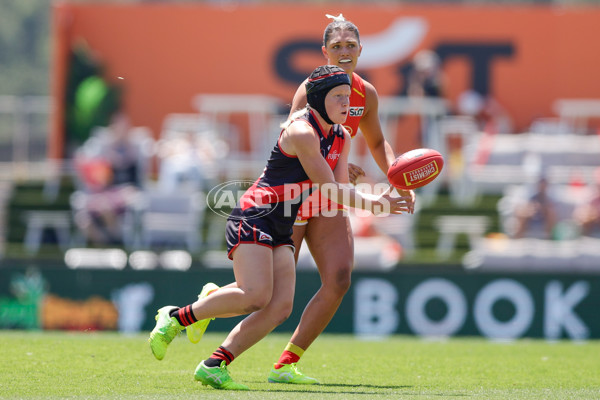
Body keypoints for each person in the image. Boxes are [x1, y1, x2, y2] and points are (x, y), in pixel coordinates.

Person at [148, 65, 411, 390]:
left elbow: (339, 191)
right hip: (256, 214)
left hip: (284, 222)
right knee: (255, 295)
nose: (347, 103)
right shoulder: (302, 131)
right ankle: (176, 317)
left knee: (278, 308)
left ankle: (215, 364)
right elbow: (329, 188)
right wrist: (379, 203)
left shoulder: (341, 135)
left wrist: (378, 195)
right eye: (338, 96)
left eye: (348, 96)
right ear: (317, 98)